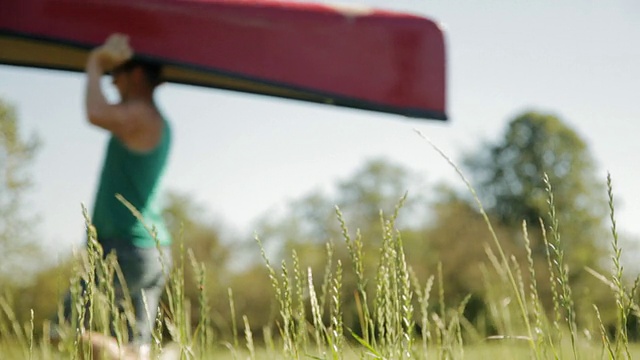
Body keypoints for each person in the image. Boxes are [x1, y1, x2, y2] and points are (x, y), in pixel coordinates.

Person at [55, 33, 173, 359]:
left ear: (135, 75)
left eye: (115, 76)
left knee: (63, 332)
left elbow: (95, 112)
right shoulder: (155, 121)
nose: (112, 84)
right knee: (137, 343)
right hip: (150, 248)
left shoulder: (141, 115)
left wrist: (94, 63)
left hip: (126, 247)